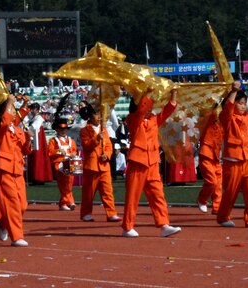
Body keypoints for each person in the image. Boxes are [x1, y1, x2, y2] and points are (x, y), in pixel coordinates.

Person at [121, 89, 181, 238]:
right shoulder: (133, 119)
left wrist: (173, 95)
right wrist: (146, 93)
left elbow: (167, 111)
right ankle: (127, 227)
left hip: (152, 162)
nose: (150, 109)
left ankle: (164, 225)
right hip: (138, 162)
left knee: (158, 195)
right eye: (148, 106)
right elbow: (140, 111)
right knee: (132, 197)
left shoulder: (154, 119)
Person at [216, 80, 248, 228]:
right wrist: (233, 91)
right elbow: (228, 107)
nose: (243, 106)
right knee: (231, 191)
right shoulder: (227, 118)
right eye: (240, 103)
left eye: (245, 103)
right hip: (233, 159)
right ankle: (223, 216)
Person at [0, 94, 31, 246]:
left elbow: (26, 150)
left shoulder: (18, 130)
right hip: (4, 168)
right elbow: (6, 122)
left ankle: (2, 222)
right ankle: (17, 237)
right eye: (11, 109)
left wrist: (29, 139)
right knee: (12, 203)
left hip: (18, 169)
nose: (14, 111)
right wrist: (10, 101)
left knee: (22, 205)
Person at [78, 104, 120, 222]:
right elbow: (86, 146)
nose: (99, 117)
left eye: (100, 115)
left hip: (104, 166)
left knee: (108, 191)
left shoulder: (104, 130)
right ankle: (86, 213)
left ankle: (111, 213)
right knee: (89, 192)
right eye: (96, 115)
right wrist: (96, 139)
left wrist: (106, 155)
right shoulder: (84, 130)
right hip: (92, 166)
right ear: (90, 116)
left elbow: (109, 146)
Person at [196, 105, 223, 214]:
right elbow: (210, 114)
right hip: (206, 155)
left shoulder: (222, 124)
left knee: (218, 185)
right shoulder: (206, 121)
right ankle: (202, 199)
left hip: (216, 157)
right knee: (212, 182)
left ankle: (217, 207)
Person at [48, 115, 78, 210]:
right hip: (59, 164)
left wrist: (73, 154)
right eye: (61, 129)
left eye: (65, 129)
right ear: (57, 129)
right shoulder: (53, 141)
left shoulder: (71, 140)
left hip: (70, 163)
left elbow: (75, 150)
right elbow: (50, 152)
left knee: (69, 184)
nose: (63, 130)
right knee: (63, 183)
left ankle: (63, 203)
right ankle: (70, 201)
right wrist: (58, 151)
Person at [24, 103, 52, 184]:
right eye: (31, 109)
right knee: (33, 156)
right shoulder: (32, 118)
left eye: (33, 109)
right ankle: (34, 177)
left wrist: (26, 129)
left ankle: (39, 177)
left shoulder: (39, 118)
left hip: (38, 138)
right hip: (34, 137)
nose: (32, 110)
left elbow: (34, 127)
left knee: (38, 156)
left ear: (37, 109)